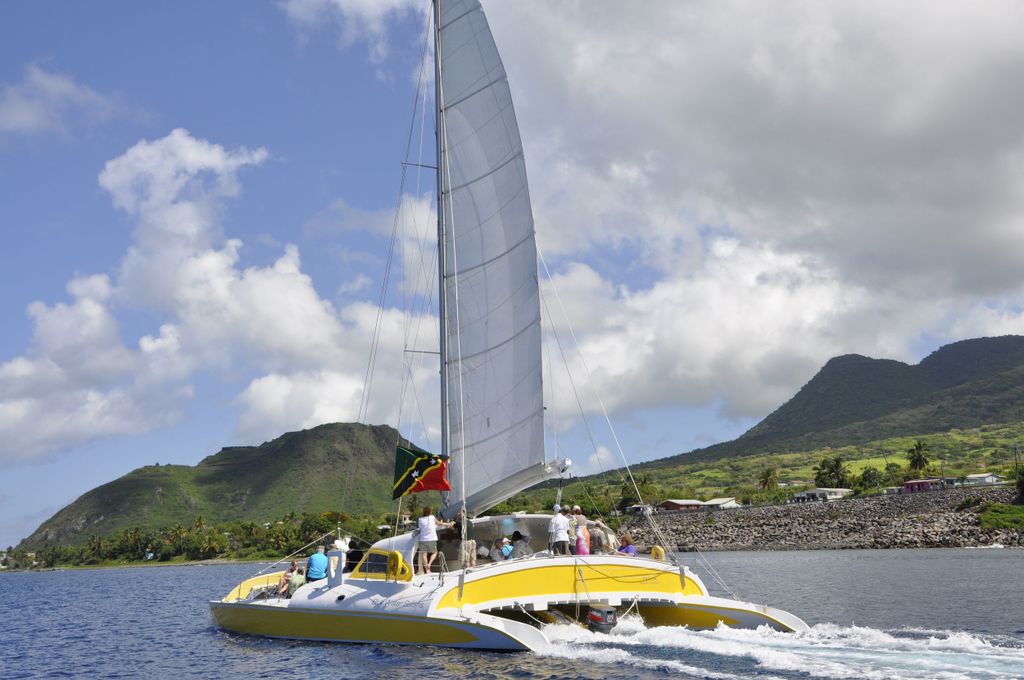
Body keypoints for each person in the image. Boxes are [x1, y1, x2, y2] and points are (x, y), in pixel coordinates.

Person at [417, 506, 452, 574]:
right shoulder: (432, 517)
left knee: (424, 554)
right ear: (430, 512)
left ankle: (427, 570)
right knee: (435, 552)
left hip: (423, 539)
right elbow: (440, 523)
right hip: (431, 538)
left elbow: (421, 528)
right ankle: (429, 564)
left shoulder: (420, 519)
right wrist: (448, 524)